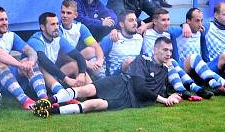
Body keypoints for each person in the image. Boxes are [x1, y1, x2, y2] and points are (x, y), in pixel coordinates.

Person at [32, 37, 182, 116]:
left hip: (128, 99)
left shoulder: (165, 70)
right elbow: (139, 87)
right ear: (156, 49)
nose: (169, 54)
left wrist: (172, 95)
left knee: (95, 105)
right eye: (165, 50)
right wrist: (164, 100)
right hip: (119, 82)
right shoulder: (142, 60)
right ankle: (48, 101)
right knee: (86, 90)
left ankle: (50, 111)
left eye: (170, 50)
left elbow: (160, 90)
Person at [0, 6, 47, 110]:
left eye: (6, 19)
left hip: (9, 76)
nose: (5, 22)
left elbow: (31, 51)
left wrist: (30, 63)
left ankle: (44, 99)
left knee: (27, 61)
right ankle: (24, 100)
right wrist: (20, 65)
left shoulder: (11, 35)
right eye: (1, 20)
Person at [141, 8, 211, 100]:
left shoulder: (169, 33)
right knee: (169, 61)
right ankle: (188, 89)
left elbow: (183, 28)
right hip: (149, 68)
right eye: (163, 20)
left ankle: (190, 89)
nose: (167, 23)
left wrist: (185, 25)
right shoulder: (145, 33)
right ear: (154, 21)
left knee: (172, 61)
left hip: (166, 67)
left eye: (168, 19)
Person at [174, 8, 225, 96]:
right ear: (188, 20)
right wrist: (184, 25)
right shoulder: (178, 31)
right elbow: (166, 28)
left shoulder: (201, 32)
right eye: (197, 21)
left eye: (201, 20)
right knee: (194, 57)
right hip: (183, 68)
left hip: (200, 68)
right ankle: (224, 86)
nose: (200, 24)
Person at [28, 12, 90, 94]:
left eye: (57, 24)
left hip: (53, 77)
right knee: (42, 66)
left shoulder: (58, 38)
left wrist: (82, 74)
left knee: (75, 64)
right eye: (52, 24)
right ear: (42, 27)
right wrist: (66, 79)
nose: (56, 27)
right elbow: (44, 62)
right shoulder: (35, 40)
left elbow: (79, 56)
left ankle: (93, 91)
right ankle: (62, 94)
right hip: (34, 83)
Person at [58, 0, 105, 79]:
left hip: (74, 59)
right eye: (63, 12)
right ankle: (91, 86)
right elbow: (64, 55)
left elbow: (96, 47)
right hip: (59, 65)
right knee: (76, 64)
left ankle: (100, 77)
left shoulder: (80, 27)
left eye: (68, 13)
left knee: (91, 50)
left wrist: (99, 61)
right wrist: (86, 63)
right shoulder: (57, 29)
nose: (65, 15)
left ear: (75, 15)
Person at [99, 11, 144, 76]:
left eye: (135, 20)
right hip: (115, 77)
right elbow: (99, 57)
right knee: (128, 62)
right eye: (131, 20)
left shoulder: (139, 38)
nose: (135, 23)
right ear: (122, 24)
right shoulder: (111, 38)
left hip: (135, 76)